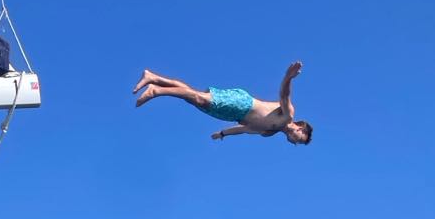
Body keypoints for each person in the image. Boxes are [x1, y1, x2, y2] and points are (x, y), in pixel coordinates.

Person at [133, 63, 312, 146]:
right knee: (199, 98)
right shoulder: (288, 115)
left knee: (193, 97)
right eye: (300, 138)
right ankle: (156, 91)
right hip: (242, 103)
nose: (295, 142)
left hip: (232, 114)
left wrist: (222, 133)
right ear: (300, 128)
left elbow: (244, 129)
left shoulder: (268, 133)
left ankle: (154, 78)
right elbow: (284, 95)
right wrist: (288, 77)